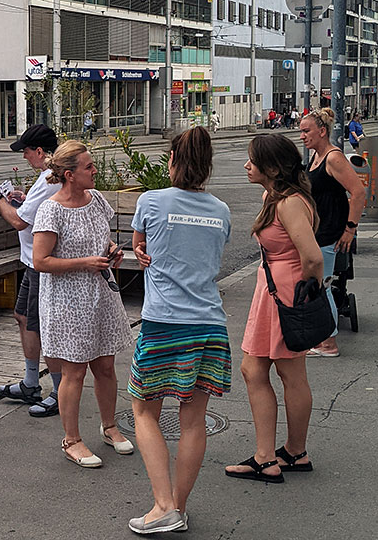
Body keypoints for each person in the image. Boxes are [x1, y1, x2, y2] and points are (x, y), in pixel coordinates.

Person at [126, 127, 232, 535]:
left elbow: (141, 246)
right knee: (193, 421)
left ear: (172, 160)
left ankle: (162, 505)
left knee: (144, 410)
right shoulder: (220, 210)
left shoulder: (151, 201)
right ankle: (179, 509)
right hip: (209, 323)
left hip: (165, 321)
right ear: (207, 167)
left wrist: (140, 250)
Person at [225, 133, 324, 484]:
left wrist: (305, 296)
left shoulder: (288, 203)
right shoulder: (276, 196)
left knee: (275, 372)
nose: (246, 164)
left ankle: (274, 456)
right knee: (267, 371)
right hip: (275, 292)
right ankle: (290, 452)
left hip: (285, 295)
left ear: (272, 167)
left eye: (252, 159)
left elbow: (312, 256)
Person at [32, 140, 135, 468]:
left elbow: (98, 239)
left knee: (105, 365)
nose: (95, 170)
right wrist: (84, 263)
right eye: (88, 167)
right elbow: (40, 260)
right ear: (69, 174)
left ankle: (109, 427)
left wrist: (112, 249)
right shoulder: (51, 209)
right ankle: (71, 440)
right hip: (68, 301)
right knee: (74, 371)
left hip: (100, 294)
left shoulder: (97, 200)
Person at [0, 124, 63, 417]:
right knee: (23, 317)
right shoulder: (45, 179)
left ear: (39, 151)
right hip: (31, 261)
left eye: (26, 151)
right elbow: (32, 213)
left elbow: (19, 223)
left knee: (43, 327)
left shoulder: (51, 180)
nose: (24, 157)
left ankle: (59, 390)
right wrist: (24, 200)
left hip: (42, 263)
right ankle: (30, 383)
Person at [300, 108, 366, 357]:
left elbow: (358, 193)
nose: (302, 136)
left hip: (329, 233)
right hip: (317, 231)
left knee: (321, 286)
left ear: (322, 131)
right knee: (316, 284)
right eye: (301, 131)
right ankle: (322, 337)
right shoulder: (316, 158)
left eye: (306, 131)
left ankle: (328, 343)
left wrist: (350, 229)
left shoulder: (333, 158)